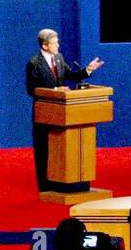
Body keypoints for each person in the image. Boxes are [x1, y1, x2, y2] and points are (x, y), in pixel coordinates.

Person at [25, 29, 104, 190]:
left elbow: (72, 76)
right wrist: (55, 90)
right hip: (45, 115)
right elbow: (31, 90)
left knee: (60, 149)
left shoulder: (59, 59)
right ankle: (45, 188)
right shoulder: (34, 63)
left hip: (63, 114)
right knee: (43, 151)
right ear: (45, 45)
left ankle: (60, 183)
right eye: (55, 43)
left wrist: (88, 69)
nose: (58, 45)